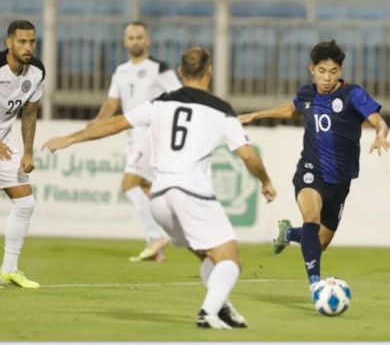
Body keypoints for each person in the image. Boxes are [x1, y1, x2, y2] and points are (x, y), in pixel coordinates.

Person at [43, 46, 277, 329]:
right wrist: (265, 181)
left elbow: (115, 123)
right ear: (210, 72)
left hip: (159, 198)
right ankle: (208, 312)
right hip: (191, 193)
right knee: (231, 261)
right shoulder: (221, 110)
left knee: (210, 255)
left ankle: (221, 305)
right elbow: (249, 156)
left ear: (180, 73)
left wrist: (69, 138)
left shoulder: (160, 103)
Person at [239, 40, 390, 298]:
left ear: (340, 71)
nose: (326, 77)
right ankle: (315, 286)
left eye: (333, 72)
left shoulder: (353, 94)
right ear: (312, 69)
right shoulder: (307, 94)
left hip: (340, 180)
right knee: (311, 217)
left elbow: (379, 120)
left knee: (319, 242)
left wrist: (380, 133)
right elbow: (291, 110)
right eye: (322, 71)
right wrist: (255, 115)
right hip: (310, 171)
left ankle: (287, 233)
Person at [89, 21, 182, 262]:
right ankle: (177, 234)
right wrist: (98, 123)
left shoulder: (159, 68)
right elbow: (112, 102)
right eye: (131, 37)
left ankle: (154, 236)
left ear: (147, 40)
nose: (135, 41)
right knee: (148, 189)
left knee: (129, 183)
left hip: (152, 134)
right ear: (124, 42)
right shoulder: (120, 71)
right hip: (132, 136)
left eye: (140, 37)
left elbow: (181, 96)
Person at [0, 20, 44, 289]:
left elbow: (29, 113)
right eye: (21, 41)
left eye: (31, 41)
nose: (28, 47)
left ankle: (9, 270)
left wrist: (28, 152)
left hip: (4, 139)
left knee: (25, 203)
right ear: (9, 43)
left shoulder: (37, 72)